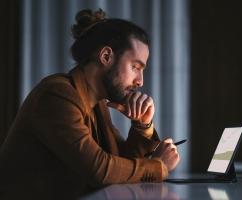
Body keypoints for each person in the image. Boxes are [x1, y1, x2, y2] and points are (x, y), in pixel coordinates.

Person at [0, 8, 180, 197]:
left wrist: (142, 125)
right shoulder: (57, 95)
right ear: (106, 57)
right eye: (135, 67)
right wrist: (159, 167)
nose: (140, 81)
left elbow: (119, 164)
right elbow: (100, 170)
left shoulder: (97, 103)